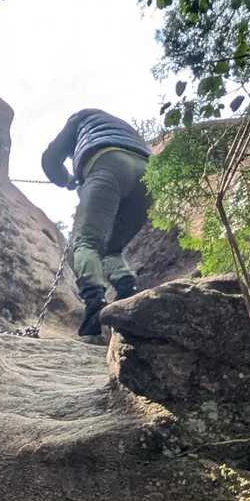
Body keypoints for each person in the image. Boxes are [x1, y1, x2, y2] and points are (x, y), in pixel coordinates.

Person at [41, 109, 152, 339]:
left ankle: (94, 308)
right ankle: (127, 293)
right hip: (148, 173)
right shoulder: (122, 125)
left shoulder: (80, 117)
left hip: (107, 163)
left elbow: (51, 159)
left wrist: (66, 180)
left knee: (85, 243)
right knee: (111, 250)